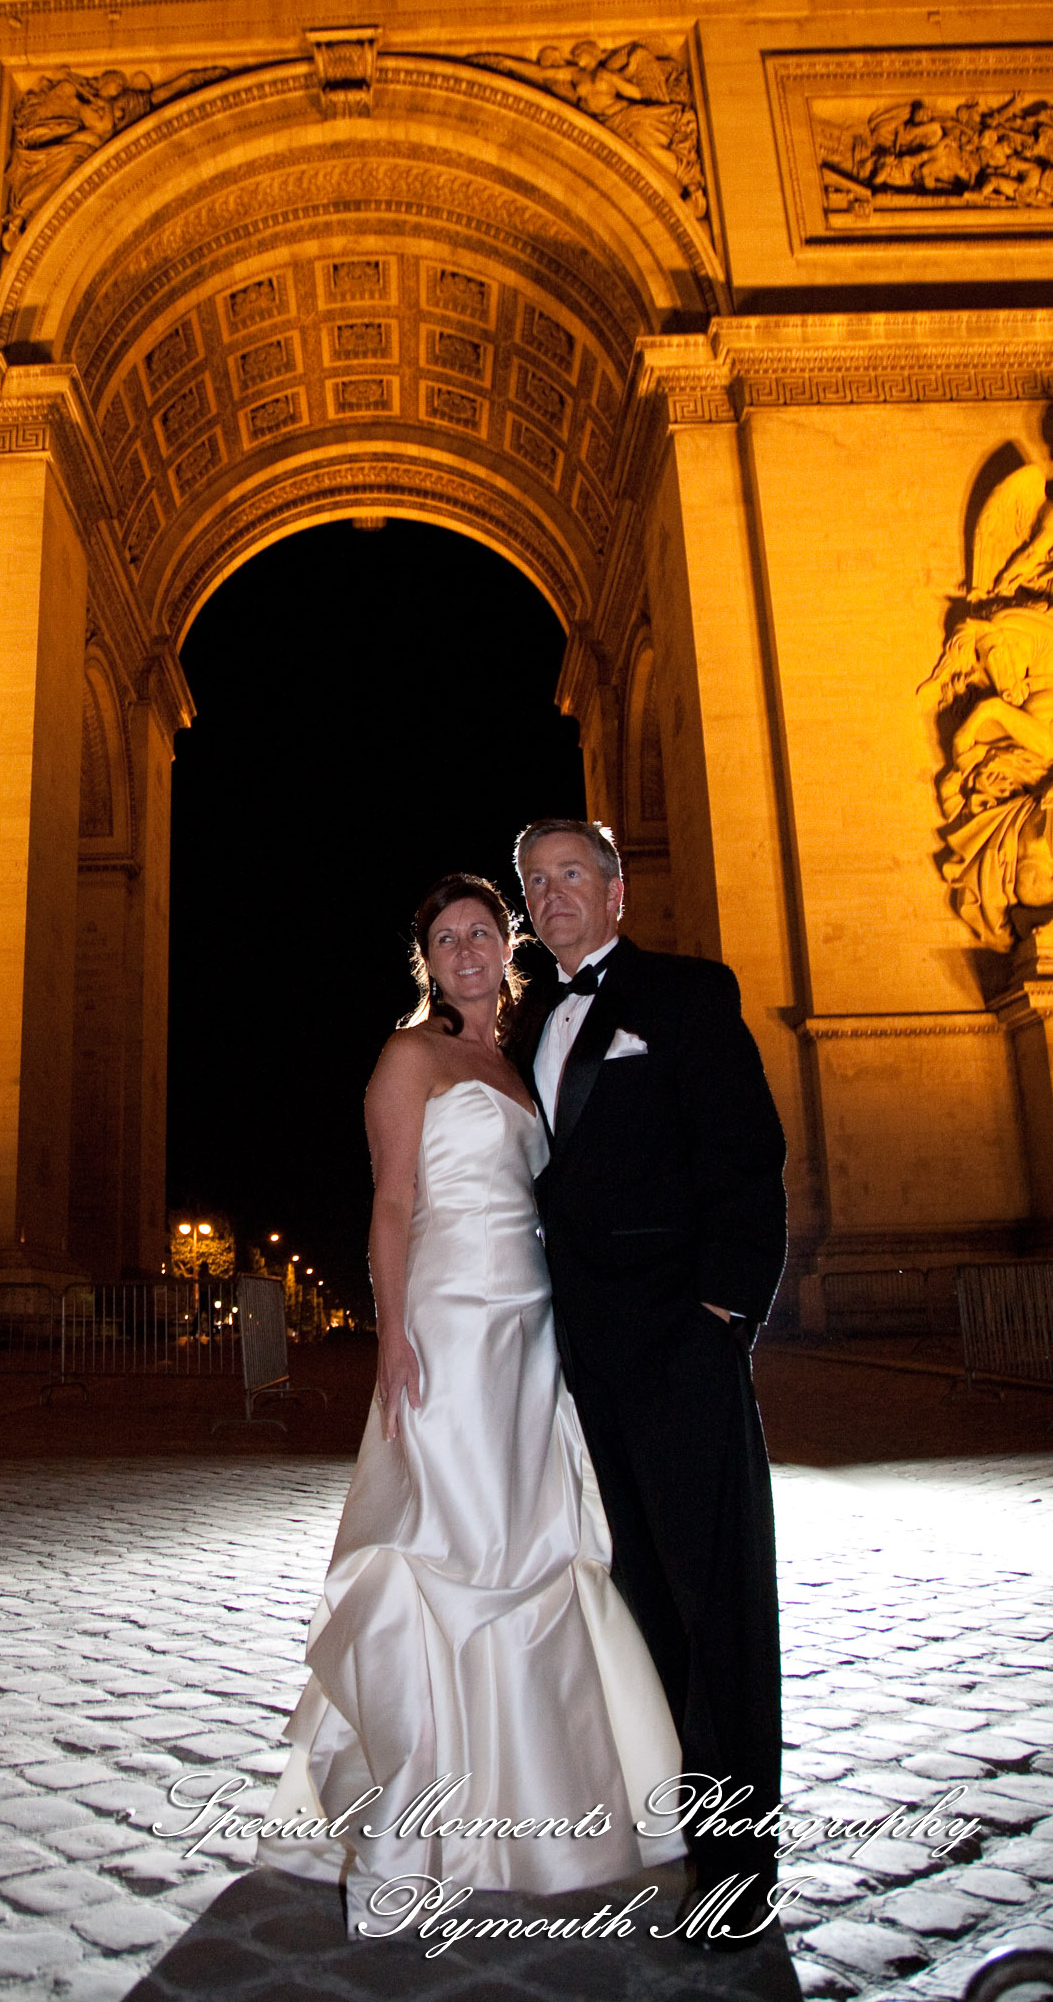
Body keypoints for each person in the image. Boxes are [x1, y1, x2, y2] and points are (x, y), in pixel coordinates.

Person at [260, 873, 682, 1929]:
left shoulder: (526, 1062)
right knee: (448, 1544)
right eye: (443, 938)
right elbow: (393, 1202)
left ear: (509, 946)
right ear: (427, 961)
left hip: (534, 1328)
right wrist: (391, 1331)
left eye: (479, 932)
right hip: (448, 1324)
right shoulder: (410, 1057)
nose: (463, 949)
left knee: (542, 1544)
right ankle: (421, 1821)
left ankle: (541, 1806)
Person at [506, 819, 787, 1949]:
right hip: (580, 1361)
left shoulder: (687, 993)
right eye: (537, 880)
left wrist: (725, 1311)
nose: (554, 893)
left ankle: (740, 1870)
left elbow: (745, 1152)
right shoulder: (526, 1022)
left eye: (573, 873)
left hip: (677, 1347)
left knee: (720, 1609)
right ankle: (682, 1834)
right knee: (649, 1613)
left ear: (618, 890)